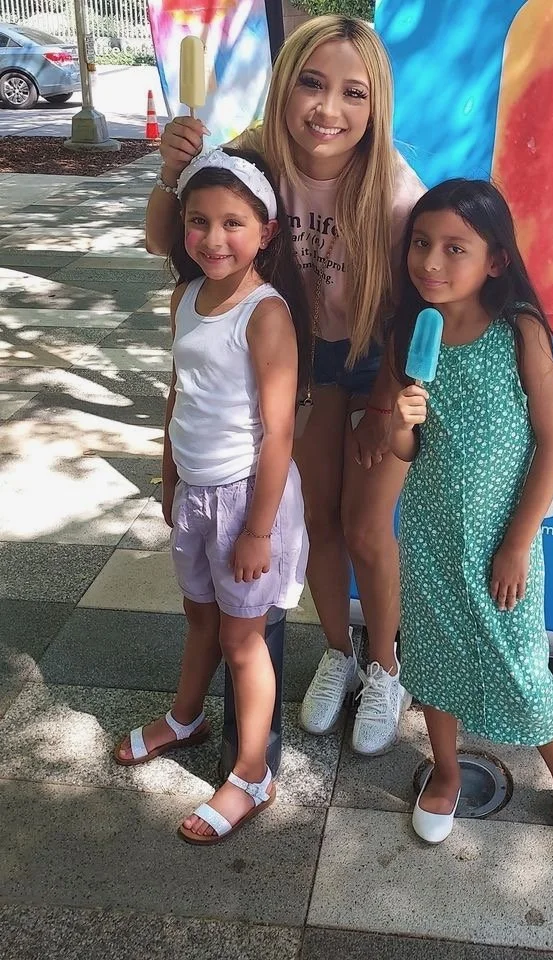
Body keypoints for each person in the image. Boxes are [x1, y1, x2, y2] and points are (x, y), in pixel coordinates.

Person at [146, 16, 424, 756]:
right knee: (322, 524)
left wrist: (382, 401)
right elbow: (164, 239)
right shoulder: (249, 155)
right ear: (285, 83)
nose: (328, 109)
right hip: (303, 362)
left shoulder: (394, 189)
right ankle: (340, 650)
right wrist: (170, 173)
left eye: (352, 93)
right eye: (311, 82)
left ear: (375, 106)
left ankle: (387, 669)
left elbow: (416, 307)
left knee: (367, 527)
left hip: (379, 361)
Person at [390, 179, 553, 871]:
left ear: (494, 260)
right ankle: (448, 772)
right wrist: (401, 422)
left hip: (502, 542)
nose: (431, 261)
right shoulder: (414, 330)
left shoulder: (519, 328)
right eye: (422, 244)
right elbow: (405, 454)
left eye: (454, 248)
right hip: (429, 533)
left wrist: (518, 544)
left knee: (524, 667)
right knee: (430, 659)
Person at [114, 147, 311, 845]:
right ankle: (186, 716)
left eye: (233, 223)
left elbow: (280, 433)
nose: (212, 238)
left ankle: (253, 771)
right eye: (198, 221)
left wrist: (259, 529)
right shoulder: (185, 297)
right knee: (199, 616)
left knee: (243, 639)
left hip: (247, 502)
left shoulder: (265, 314)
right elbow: (179, 395)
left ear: (265, 231)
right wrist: (168, 475)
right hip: (195, 494)